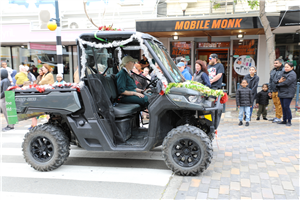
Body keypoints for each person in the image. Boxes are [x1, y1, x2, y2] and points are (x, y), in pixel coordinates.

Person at [276, 62, 297, 126]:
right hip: (282, 92)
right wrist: (279, 82)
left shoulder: (292, 74)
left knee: (286, 106)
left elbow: (287, 83)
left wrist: (278, 84)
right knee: (283, 107)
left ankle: (289, 120)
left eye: (287, 67)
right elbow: (277, 79)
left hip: (288, 92)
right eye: (285, 67)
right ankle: (284, 120)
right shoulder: (283, 73)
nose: (286, 68)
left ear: (292, 68)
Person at [268, 59, 285, 123]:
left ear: (280, 64)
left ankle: (279, 117)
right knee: (275, 104)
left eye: (276, 63)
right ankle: (276, 116)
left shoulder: (283, 70)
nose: (275, 64)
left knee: (279, 104)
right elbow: (270, 81)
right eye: (274, 63)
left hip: (279, 90)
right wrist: (269, 90)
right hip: (273, 90)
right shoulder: (273, 70)